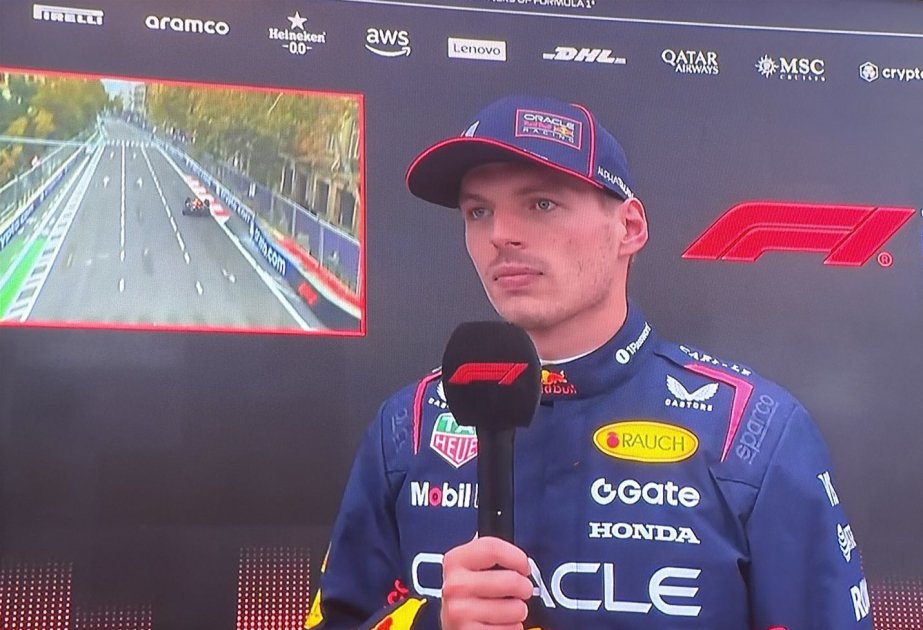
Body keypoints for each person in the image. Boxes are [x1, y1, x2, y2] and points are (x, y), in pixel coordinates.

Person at [306, 96, 872, 630]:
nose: (501, 235)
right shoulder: (407, 427)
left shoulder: (751, 432)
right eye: (479, 211)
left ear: (629, 228)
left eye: (541, 204)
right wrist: (433, 622)